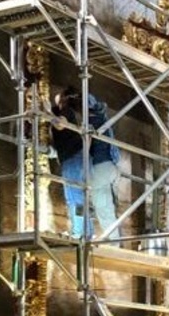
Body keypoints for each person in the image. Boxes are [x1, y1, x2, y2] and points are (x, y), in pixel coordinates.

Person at [51, 87, 121, 239]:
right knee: (97, 203)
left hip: (84, 162)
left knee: (76, 197)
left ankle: (82, 232)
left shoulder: (73, 114)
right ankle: (90, 232)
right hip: (98, 163)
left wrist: (46, 115)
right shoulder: (93, 117)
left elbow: (62, 124)